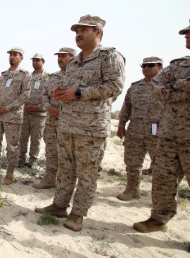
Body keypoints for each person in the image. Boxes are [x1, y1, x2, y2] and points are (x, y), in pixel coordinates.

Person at [35, 14, 125, 232]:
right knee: (65, 170)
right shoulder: (74, 62)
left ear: (98, 33)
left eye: (84, 30)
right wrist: (61, 93)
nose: (79, 34)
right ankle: (59, 205)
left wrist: (78, 93)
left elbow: (115, 87)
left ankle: (78, 214)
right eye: (77, 31)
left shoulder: (110, 57)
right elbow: (69, 89)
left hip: (91, 128)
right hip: (67, 125)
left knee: (87, 172)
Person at [133, 16, 190, 254]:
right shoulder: (179, 66)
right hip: (170, 135)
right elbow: (158, 88)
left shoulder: (177, 72)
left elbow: (167, 89)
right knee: (162, 180)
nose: (186, 36)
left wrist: (178, 87)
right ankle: (159, 218)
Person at [116, 57, 164, 200]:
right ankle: (132, 190)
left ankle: (160, 197)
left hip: (157, 129)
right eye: (144, 65)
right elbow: (126, 107)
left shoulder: (166, 86)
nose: (146, 68)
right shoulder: (135, 87)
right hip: (135, 129)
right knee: (132, 162)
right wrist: (121, 124)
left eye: (151, 65)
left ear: (160, 67)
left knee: (160, 164)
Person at [0, 48, 31, 184]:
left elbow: (25, 96)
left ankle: (10, 172)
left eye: (15, 55)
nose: (12, 57)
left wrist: (7, 108)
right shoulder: (3, 75)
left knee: (12, 145)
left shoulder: (25, 75)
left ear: (21, 57)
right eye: (10, 55)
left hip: (13, 116)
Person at [32, 47, 76, 189]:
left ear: (73, 57)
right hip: (51, 121)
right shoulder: (53, 77)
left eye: (63, 56)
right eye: (59, 56)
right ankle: (50, 179)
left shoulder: (78, 77)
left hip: (70, 123)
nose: (60, 59)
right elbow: (44, 95)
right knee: (51, 151)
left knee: (68, 154)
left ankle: (65, 184)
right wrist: (49, 108)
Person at [19, 53, 49, 167]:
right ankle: (20, 159)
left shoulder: (48, 77)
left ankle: (33, 161)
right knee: (23, 137)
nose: (35, 62)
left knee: (36, 139)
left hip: (39, 114)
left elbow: (49, 96)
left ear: (43, 62)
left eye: (38, 60)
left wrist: (38, 107)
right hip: (26, 112)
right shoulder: (28, 77)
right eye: (34, 60)